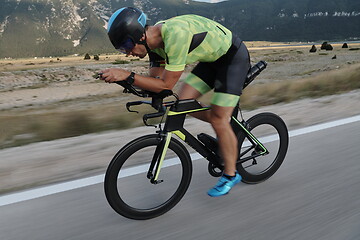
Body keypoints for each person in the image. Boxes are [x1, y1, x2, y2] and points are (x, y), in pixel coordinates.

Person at [100, 7, 251, 197]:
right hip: (212, 61)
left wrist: (127, 75)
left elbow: (165, 85)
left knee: (219, 119)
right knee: (183, 103)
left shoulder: (174, 36)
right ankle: (222, 128)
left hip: (232, 59)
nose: (127, 53)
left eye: (126, 45)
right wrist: (124, 80)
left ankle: (230, 174)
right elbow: (155, 85)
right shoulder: (153, 46)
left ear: (139, 36)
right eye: (122, 49)